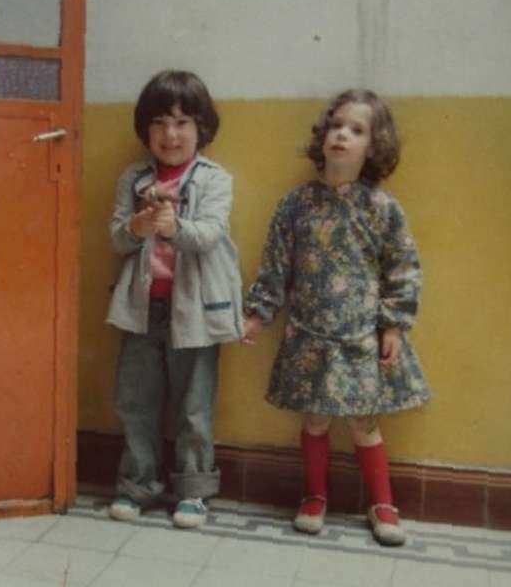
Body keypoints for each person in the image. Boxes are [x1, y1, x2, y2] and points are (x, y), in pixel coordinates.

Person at [242, 89, 429, 546]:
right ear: (323, 136)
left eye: (357, 129)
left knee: (365, 424)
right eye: (337, 125)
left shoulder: (382, 208)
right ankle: (314, 496)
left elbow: (402, 268)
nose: (342, 134)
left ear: (373, 146)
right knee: (315, 420)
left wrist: (393, 324)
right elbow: (275, 267)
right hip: (309, 335)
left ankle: (382, 503)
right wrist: (258, 314)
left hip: (360, 338)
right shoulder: (296, 204)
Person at [106, 70, 243, 529]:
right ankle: (137, 485)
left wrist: (173, 227)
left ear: (201, 128)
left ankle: (193, 492)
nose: (171, 134)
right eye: (160, 123)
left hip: (197, 314)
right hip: (141, 310)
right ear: (146, 129)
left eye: (182, 123)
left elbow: (209, 235)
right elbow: (117, 239)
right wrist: (137, 227)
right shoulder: (133, 178)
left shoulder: (215, 179)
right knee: (136, 402)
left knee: (194, 406)